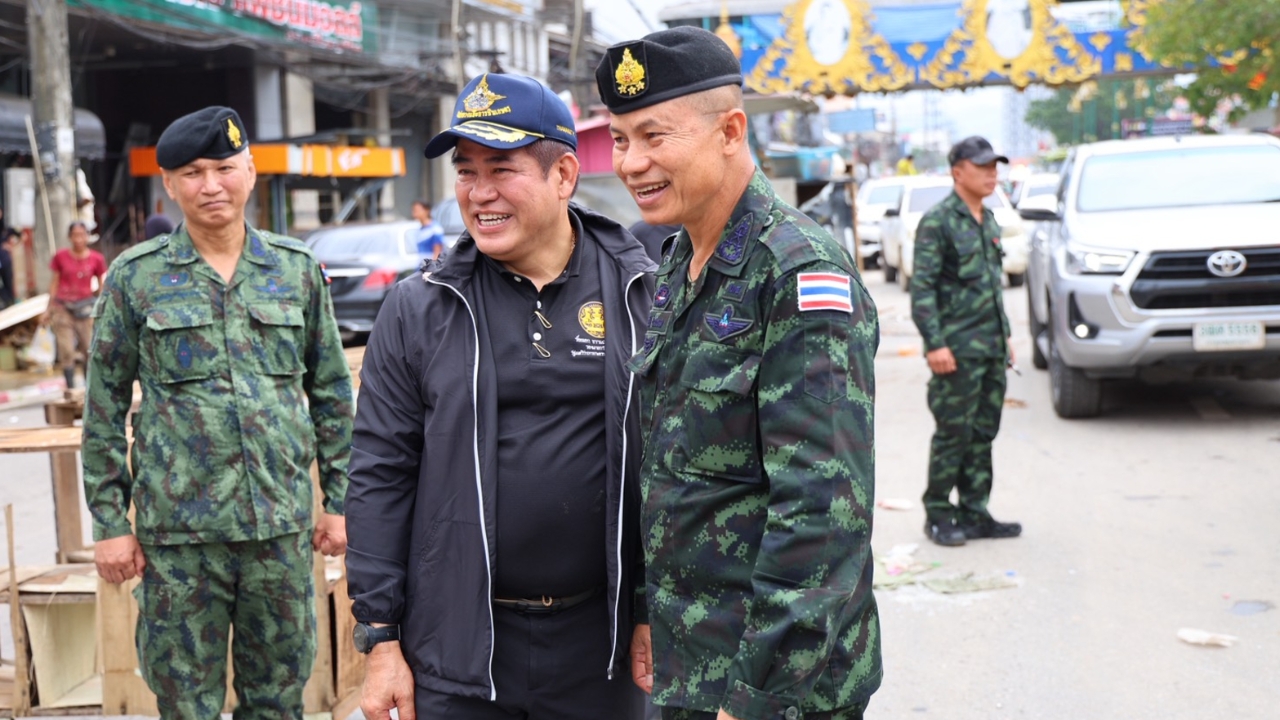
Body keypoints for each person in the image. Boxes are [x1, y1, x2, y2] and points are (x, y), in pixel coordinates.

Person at [345, 72, 654, 720]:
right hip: (458, 649)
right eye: (465, 171)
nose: (478, 193)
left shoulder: (641, 292)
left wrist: (655, 608)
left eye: (501, 170)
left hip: (604, 648)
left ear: (563, 175)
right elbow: (379, 474)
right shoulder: (420, 307)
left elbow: (670, 468)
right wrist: (380, 639)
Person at [600, 26, 882, 720]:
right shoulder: (679, 262)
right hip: (692, 664)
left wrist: (757, 696)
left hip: (779, 688)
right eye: (620, 138)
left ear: (730, 130)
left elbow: (821, 514)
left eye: (654, 135)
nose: (633, 162)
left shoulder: (798, 272)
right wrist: (646, 610)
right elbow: (671, 473)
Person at [81, 106, 354, 719]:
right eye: (193, 172)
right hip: (179, 541)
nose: (211, 185)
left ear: (250, 171)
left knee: (279, 700)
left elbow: (333, 395)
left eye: (224, 168)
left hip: (279, 533)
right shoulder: (136, 278)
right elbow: (102, 410)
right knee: (185, 702)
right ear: (170, 184)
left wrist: (339, 502)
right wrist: (108, 523)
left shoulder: (295, 270)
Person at [910, 135, 1022, 547]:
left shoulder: (989, 219)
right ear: (958, 172)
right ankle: (938, 514)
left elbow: (993, 287)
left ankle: (975, 511)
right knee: (952, 433)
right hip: (955, 350)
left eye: (995, 166)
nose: (993, 174)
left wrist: (1005, 335)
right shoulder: (938, 222)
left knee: (982, 432)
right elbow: (922, 290)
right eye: (983, 167)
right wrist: (935, 344)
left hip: (989, 347)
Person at [43, 221, 107, 388]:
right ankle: (71, 388)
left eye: (82, 235)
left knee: (89, 350)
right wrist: (48, 309)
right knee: (66, 351)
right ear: (70, 237)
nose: (78, 239)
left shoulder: (96, 259)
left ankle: (88, 389)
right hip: (63, 308)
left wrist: (103, 306)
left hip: (86, 309)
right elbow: (54, 283)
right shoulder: (60, 257)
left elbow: (102, 285)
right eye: (75, 235)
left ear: (87, 236)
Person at [0, 211, 18, 309]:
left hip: (5, 261)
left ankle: (10, 304)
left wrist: (11, 245)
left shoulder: (6, 228)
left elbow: (21, 236)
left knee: (8, 282)